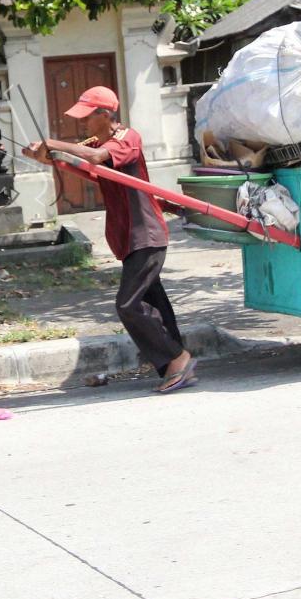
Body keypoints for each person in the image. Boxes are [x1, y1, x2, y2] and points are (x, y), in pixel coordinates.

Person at [23, 85, 197, 393]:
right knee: (152, 302)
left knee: (128, 304)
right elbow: (87, 168)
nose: (83, 124)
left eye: (88, 117)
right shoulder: (96, 142)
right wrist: (46, 157)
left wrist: (51, 143)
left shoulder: (126, 138)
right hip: (128, 237)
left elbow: (95, 157)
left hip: (146, 233)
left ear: (105, 115)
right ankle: (177, 363)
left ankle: (178, 357)